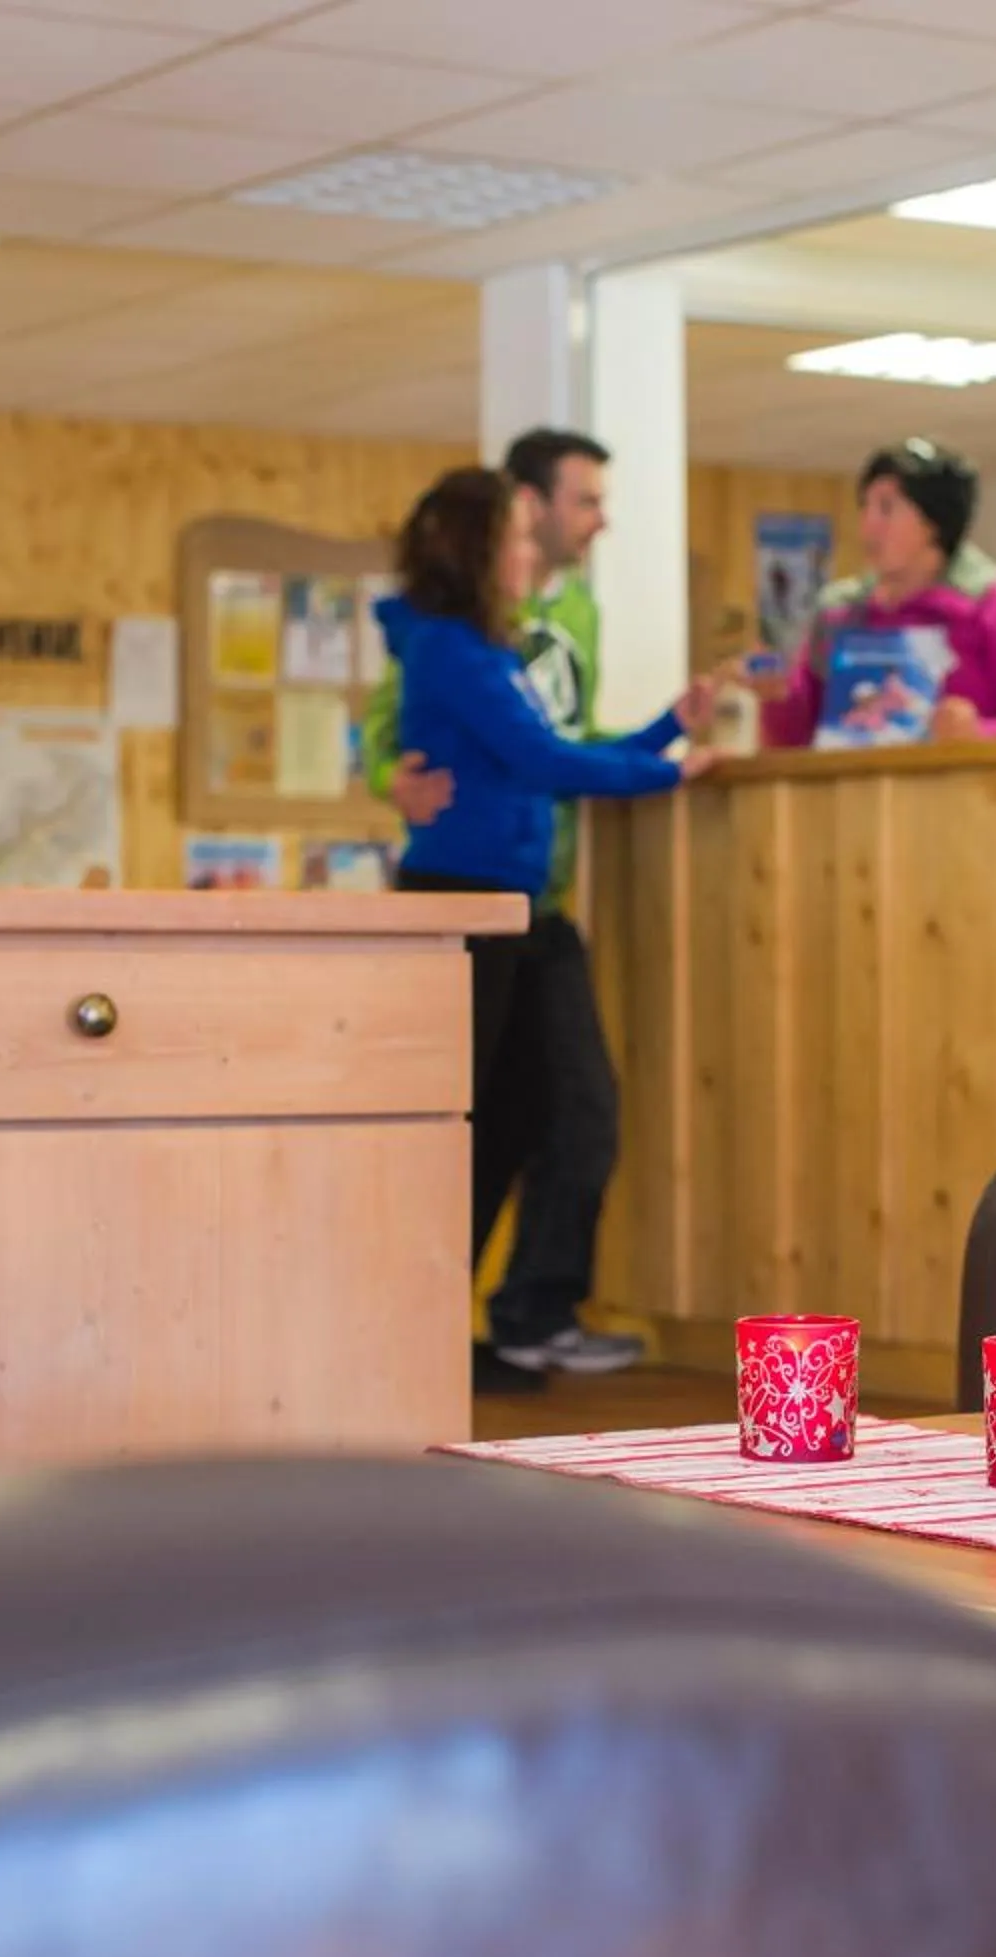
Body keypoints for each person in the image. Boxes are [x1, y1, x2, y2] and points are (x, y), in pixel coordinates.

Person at [374, 465, 714, 1395]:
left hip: (514, 907)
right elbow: (540, 761)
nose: (530, 556)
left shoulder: (486, 651)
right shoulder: (450, 650)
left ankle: (489, 1318)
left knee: (524, 1114)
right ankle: (418, 1322)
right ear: (478, 553)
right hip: (461, 903)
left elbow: (548, 753)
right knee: (464, 1122)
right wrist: (667, 771)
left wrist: (660, 734)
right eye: (516, 540)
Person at [749, 438, 996, 749]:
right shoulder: (838, 611)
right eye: (865, 507)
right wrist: (776, 697)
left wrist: (981, 733)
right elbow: (801, 737)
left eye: (886, 508)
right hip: (854, 794)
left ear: (933, 523)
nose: (868, 525)